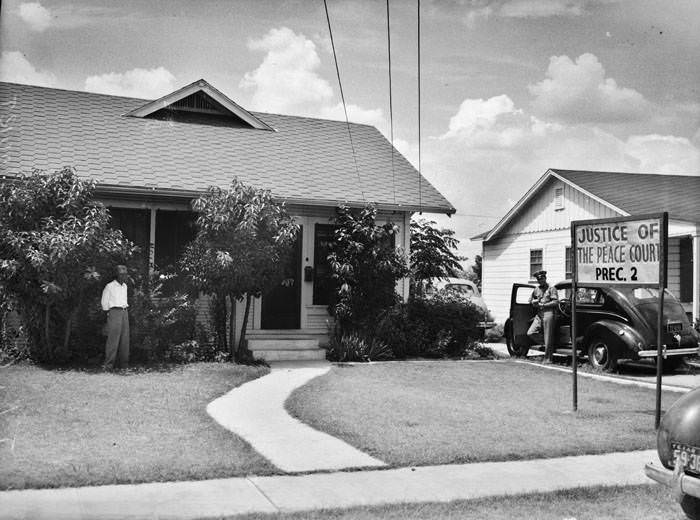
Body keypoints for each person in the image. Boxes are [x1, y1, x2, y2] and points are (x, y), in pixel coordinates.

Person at [101, 265, 130, 370]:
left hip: (124, 312)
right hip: (114, 312)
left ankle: (124, 365)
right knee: (113, 340)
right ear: (117, 275)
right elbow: (104, 302)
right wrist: (109, 314)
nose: (124, 276)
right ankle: (108, 365)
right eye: (121, 274)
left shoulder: (125, 286)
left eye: (125, 274)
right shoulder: (110, 286)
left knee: (125, 340)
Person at [527, 270, 558, 363]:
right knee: (530, 333)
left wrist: (544, 305)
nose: (541, 280)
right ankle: (548, 343)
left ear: (545, 278)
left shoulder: (551, 289)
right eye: (539, 279)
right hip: (539, 314)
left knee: (548, 336)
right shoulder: (536, 289)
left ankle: (548, 358)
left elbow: (556, 302)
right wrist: (533, 302)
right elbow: (530, 300)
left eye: (542, 278)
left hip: (548, 313)